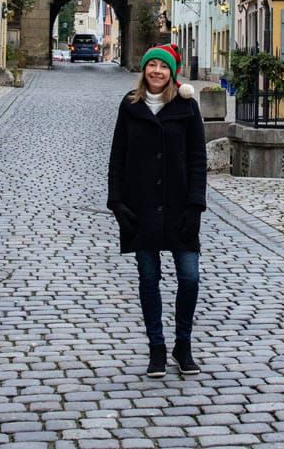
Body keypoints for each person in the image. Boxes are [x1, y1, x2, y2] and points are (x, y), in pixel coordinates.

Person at [107, 45, 207, 377]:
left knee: (189, 277)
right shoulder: (130, 105)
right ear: (144, 70)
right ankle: (157, 348)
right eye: (151, 65)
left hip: (180, 206)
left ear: (172, 74)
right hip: (141, 205)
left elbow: (197, 159)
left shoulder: (187, 107)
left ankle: (183, 344)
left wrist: (195, 204)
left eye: (162, 67)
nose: (156, 71)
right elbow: (117, 154)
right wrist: (116, 201)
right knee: (149, 279)